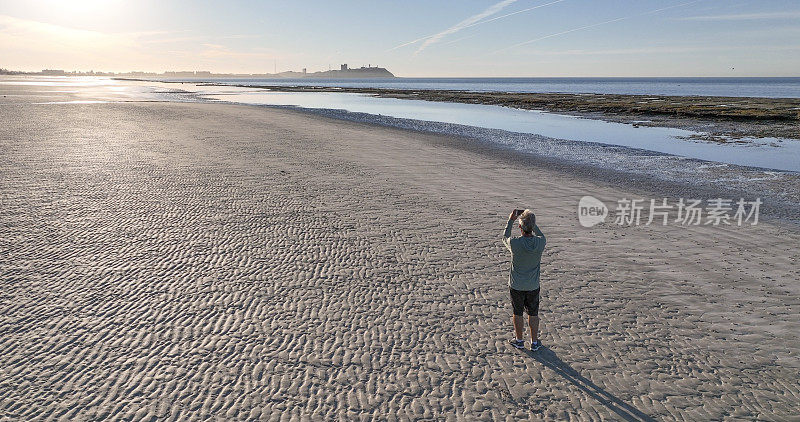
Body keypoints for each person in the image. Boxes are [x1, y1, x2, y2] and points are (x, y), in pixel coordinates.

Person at [503, 209, 546, 351]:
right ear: (532, 227)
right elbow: (540, 235)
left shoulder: (515, 244)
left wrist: (511, 220)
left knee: (517, 312)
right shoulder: (540, 242)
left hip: (516, 285)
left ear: (520, 228)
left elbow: (505, 237)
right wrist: (532, 225)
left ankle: (519, 340)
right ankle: (534, 342)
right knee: (533, 313)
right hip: (533, 285)